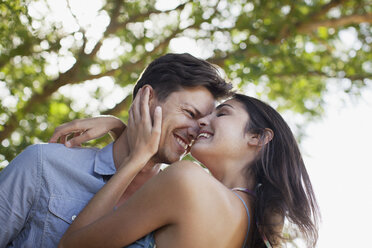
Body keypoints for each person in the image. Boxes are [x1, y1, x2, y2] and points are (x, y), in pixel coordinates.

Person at [0, 53, 232, 247]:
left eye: (204, 124)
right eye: (191, 114)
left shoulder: (179, 207)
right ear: (148, 98)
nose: (196, 130)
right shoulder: (44, 165)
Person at [57, 91, 320, 247]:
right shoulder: (256, 228)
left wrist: (137, 157)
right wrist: (119, 128)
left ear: (259, 138)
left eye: (222, 113)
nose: (202, 122)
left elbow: (71, 246)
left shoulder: (188, 180)